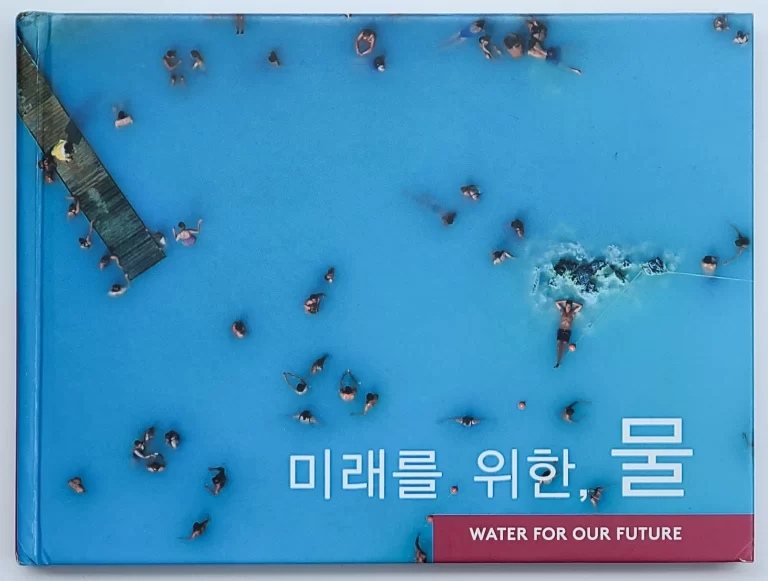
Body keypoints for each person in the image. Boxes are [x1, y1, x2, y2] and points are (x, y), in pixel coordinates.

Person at [554, 299, 582, 369]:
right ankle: (557, 362)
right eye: (567, 307)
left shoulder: (572, 313)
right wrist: (565, 301)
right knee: (558, 346)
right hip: (561, 330)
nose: (568, 308)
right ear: (565, 306)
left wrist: (572, 302)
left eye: (569, 307)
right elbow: (556, 302)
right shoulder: (562, 311)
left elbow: (580, 306)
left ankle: (559, 361)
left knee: (563, 346)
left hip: (567, 332)